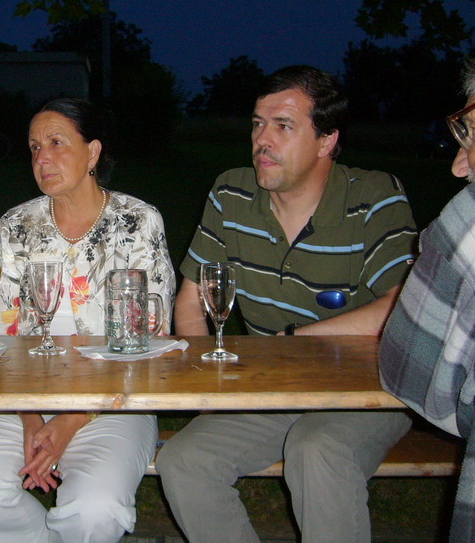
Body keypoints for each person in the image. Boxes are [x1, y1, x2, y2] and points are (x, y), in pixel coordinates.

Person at [155, 66, 418, 543]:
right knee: (184, 461)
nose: (263, 139)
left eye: (283, 126)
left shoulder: (374, 197)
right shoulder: (232, 193)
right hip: (272, 387)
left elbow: (403, 305)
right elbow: (191, 296)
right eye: (258, 124)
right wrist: (208, 390)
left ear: (326, 140)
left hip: (368, 389)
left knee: (317, 449)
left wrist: (295, 340)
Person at [0, 98, 175, 542]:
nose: (41, 158)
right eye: (34, 147)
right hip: (21, 395)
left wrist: (71, 418)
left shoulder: (138, 222)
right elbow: (1, 337)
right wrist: (30, 416)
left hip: (115, 399)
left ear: (93, 152)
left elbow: (149, 337)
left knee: (95, 509)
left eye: (56, 143)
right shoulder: (16, 225)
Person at [380, 49, 475, 542]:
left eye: (471, 131)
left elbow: (409, 370)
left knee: (321, 452)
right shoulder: (232, 194)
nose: (460, 165)